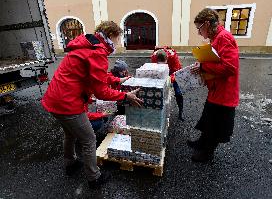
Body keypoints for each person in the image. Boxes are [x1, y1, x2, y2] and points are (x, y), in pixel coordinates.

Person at [41, 21, 143, 188]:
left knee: (70, 133)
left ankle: (70, 163)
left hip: (54, 99)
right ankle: (94, 178)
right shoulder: (97, 53)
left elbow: (96, 76)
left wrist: (118, 80)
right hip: (68, 104)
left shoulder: (88, 46)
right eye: (117, 38)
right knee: (89, 139)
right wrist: (126, 95)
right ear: (110, 36)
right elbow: (102, 91)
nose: (118, 42)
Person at [189, 8, 239, 162]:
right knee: (208, 119)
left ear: (206, 24)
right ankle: (202, 142)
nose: (198, 33)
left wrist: (203, 67)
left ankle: (207, 153)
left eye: (199, 28)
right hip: (216, 90)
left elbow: (230, 67)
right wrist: (202, 63)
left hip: (224, 93)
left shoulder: (224, 38)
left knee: (216, 125)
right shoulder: (217, 37)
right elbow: (215, 60)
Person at [151, 46, 184, 121]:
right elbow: (154, 69)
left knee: (178, 93)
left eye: (164, 64)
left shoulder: (173, 57)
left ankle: (180, 111)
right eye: (160, 64)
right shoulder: (153, 57)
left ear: (167, 59)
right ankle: (159, 110)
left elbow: (176, 72)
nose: (163, 66)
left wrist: (169, 79)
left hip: (173, 72)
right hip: (161, 72)